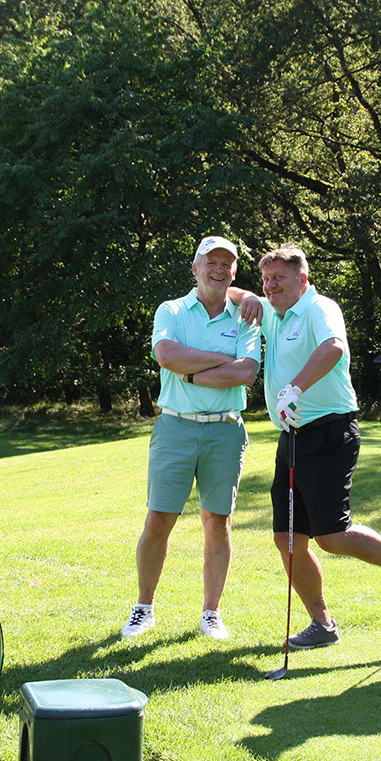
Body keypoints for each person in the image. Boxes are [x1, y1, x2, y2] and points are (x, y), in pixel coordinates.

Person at [237, 244, 381, 650]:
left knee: (332, 535)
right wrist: (246, 296)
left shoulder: (319, 307)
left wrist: (295, 388)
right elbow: (228, 291)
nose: (270, 286)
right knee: (287, 537)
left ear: (302, 279)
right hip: (292, 437)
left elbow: (333, 347)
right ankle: (322, 624)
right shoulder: (273, 312)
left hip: (330, 431)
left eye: (278, 278)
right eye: (265, 279)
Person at [120, 236, 261, 641]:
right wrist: (223, 359)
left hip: (225, 429)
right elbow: (166, 355)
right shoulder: (172, 310)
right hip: (176, 426)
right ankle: (144, 607)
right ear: (195, 268)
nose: (219, 269)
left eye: (226, 264)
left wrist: (193, 370)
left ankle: (211, 613)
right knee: (159, 518)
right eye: (210, 262)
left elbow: (246, 372)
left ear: (234, 272)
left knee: (218, 522)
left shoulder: (245, 316)